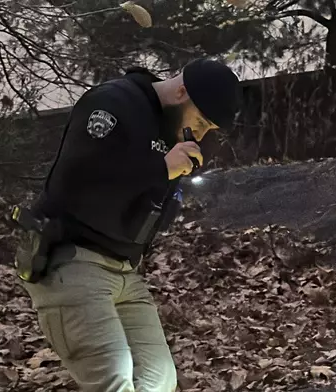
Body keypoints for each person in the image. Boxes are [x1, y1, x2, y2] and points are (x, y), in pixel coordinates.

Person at [20, 58, 241, 392]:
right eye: (202, 121)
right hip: (73, 260)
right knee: (114, 380)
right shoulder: (112, 103)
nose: (202, 132)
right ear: (181, 91)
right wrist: (160, 169)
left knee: (158, 378)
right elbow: (77, 181)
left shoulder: (168, 128)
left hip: (123, 270)